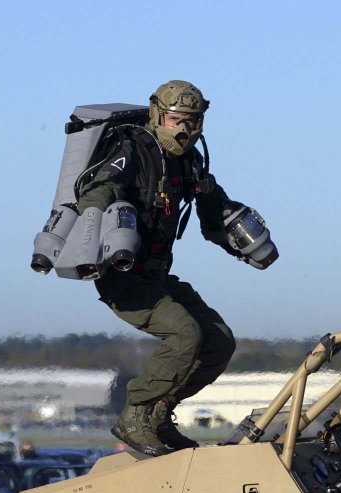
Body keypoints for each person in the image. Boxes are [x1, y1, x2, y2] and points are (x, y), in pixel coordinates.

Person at [75, 80, 248, 456]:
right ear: (158, 116)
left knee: (218, 340)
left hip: (156, 275)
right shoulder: (133, 150)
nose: (183, 129)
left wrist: (243, 243)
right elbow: (101, 187)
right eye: (175, 119)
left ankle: (157, 415)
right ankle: (135, 415)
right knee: (185, 335)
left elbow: (214, 208)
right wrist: (90, 219)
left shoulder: (189, 162)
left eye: (192, 121)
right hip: (122, 275)